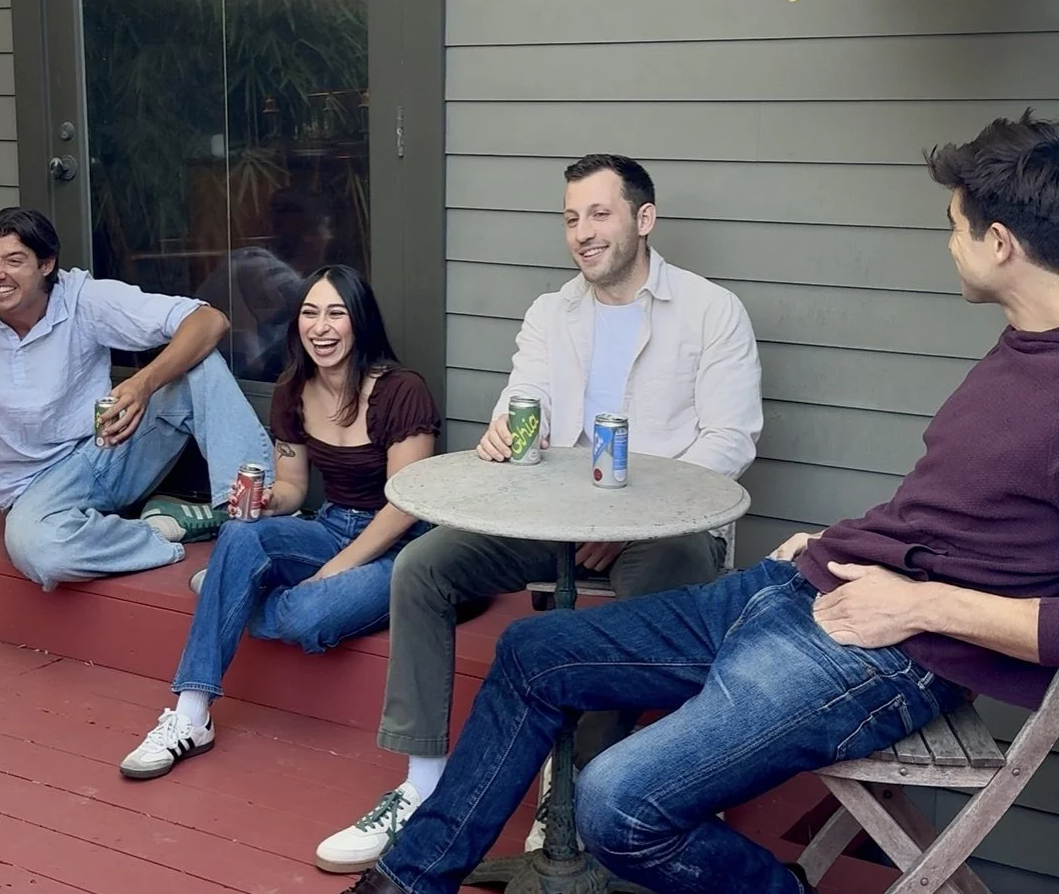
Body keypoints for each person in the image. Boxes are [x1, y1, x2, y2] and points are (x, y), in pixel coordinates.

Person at [334, 110, 1059, 894]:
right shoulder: (1020, 345)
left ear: (999, 243)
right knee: (530, 652)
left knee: (617, 806)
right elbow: (967, 516)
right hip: (806, 586)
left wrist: (919, 604)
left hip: (889, 651)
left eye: (954, 227)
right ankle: (410, 880)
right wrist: (837, 542)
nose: (946, 243)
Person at [316, 154, 763, 873]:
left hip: (661, 528)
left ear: (643, 220)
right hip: (550, 518)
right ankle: (421, 785)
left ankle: (577, 787)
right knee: (424, 566)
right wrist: (504, 430)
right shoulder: (552, 312)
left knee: (661, 588)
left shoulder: (711, 312)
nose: (581, 233)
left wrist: (632, 521)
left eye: (598, 214)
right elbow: (526, 401)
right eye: (569, 218)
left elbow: (729, 438)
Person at [119, 264, 441, 780]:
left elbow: (405, 505)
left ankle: (230, 592)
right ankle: (190, 714)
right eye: (310, 313)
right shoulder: (295, 391)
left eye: (336, 313)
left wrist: (336, 568)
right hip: (332, 524)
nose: (321, 327)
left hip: (401, 546)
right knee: (240, 533)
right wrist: (269, 502)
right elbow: (293, 487)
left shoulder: (401, 391)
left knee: (306, 616)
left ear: (361, 322)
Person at [0, 207, 274, 590]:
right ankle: (160, 530)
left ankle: (250, 519)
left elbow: (209, 320)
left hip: (110, 451)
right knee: (40, 551)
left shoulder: (83, 298)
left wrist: (143, 383)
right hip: (34, 489)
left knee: (199, 363)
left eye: (14, 260)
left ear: (47, 265)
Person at [194, 191, 333, 380]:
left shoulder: (263, 266)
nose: (330, 237)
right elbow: (318, 304)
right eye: (326, 227)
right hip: (236, 372)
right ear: (307, 235)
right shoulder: (253, 266)